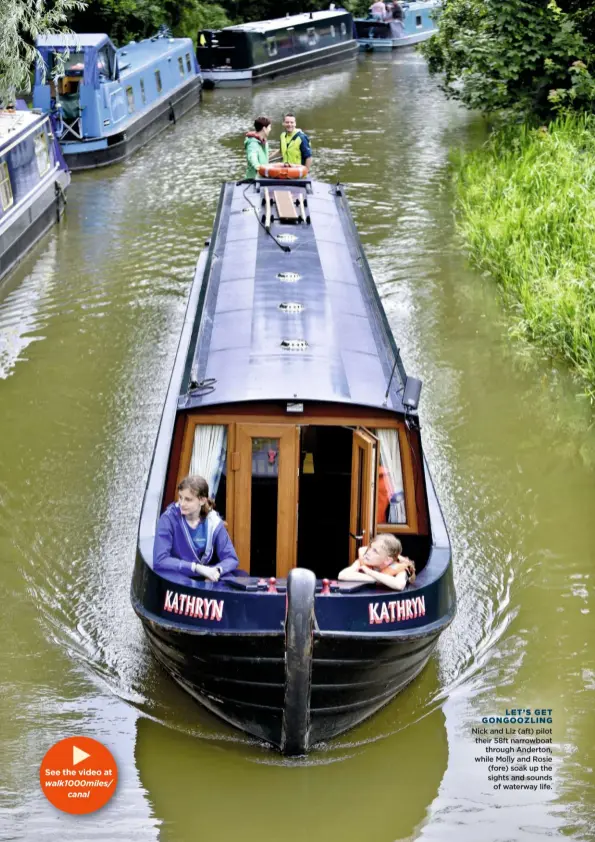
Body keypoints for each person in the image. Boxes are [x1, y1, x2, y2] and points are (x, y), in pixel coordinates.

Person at [154, 475, 239, 582]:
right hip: (177, 578)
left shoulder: (213, 522)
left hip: (206, 577)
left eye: (188, 500)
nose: (182, 503)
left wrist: (215, 571)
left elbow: (231, 558)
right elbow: (160, 560)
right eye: (180, 497)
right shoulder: (168, 519)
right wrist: (196, 568)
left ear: (202, 500)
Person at [338, 534, 415, 591]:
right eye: (370, 547)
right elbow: (342, 575)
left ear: (387, 560)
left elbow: (399, 585)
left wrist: (369, 572)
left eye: (375, 551)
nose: (368, 552)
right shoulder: (365, 560)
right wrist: (377, 579)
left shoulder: (399, 567)